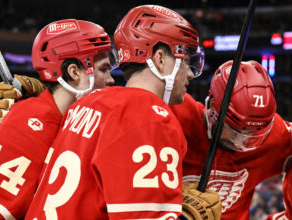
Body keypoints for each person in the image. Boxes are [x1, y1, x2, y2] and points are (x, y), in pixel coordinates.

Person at [24, 5, 221, 220]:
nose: (191, 74)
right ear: (161, 59)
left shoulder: (86, 103)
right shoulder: (151, 118)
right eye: (185, 61)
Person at [0, 19, 115, 219]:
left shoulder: (63, 119)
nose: (111, 79)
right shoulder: (33, 125)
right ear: (74, 72)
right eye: (104, 69)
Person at [169, 60, 292, 219]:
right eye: (235, 131)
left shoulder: (277, 135)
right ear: (213, 107)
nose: (241, 142)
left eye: (254, 133)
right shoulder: (175, 114)